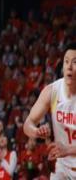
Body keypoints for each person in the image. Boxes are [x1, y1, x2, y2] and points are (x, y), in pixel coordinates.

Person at [23, 42, 76, 179]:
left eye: (74, 62)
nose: (69, 67)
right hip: (62, 167)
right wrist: (37, 132)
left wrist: (68, 150)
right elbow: (27, 124)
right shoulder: (52, 91)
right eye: (66, 62)